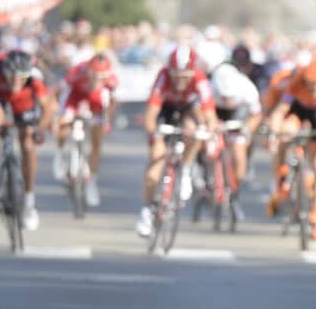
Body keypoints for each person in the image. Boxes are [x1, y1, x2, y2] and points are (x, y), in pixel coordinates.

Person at [265, 54, 316, 243]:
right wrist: (274, 134)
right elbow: (281, 110)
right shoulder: (298, 79)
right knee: (285, 133)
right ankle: (282, 175)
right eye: (311, 84)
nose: (315, 88)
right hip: (299, 110)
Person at [137, 47, 217, 237]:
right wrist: (156, 136)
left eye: (185, 76)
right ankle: (147, 211)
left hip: (187, 110)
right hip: (165, 112)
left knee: (196, 130)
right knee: (153, 171)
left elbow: (209, 114)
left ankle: (187, 168)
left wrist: (209, 129)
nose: (180, 80)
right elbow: (150, 115)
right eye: (176, 75)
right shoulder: (163, 77)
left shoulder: (200, 79)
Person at [0, 50, 54, 230]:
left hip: (24, 103)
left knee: (28, 145)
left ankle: (29, 201)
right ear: (5, 71)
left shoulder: (35, 78)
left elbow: (48, 107)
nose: (17, 81)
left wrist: (39, 130)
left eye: (22, 77)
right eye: (12, 76)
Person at [56, 51, 119, 207]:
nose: (98, 80)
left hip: (95, 103)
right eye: (94, 76)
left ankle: (91, 182)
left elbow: (112, 103)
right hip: (74, 98)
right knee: (63, 125)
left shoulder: (111, 81)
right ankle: (60, 154)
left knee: (97, 140)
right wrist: (62, 116)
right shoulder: (77, 73)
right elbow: (61, 94)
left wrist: (107, 122)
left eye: (102, 77)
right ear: (88, 71)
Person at [208, 56, 263, 218]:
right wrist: (212, 124)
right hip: (216, 114)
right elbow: (203, 112)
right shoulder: (210, 88)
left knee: (239, 152)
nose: (226, 100)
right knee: (207, 144)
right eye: (223, 97)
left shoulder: (247, 88)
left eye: (229, 97)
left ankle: (234, 190)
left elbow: (256, 115)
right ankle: (205, 175)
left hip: (239, 116)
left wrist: (247, 129)